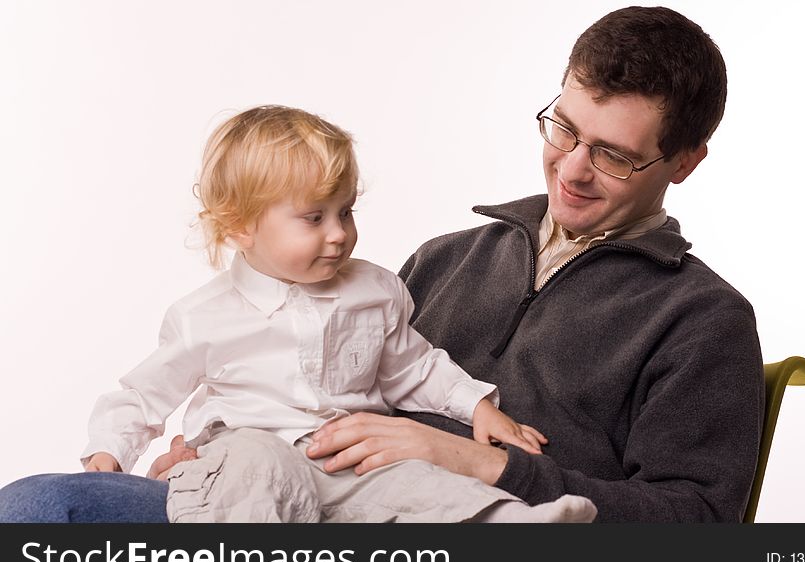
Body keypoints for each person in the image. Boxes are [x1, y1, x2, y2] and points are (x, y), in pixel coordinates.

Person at [0, 5, 763, 523]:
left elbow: (693, 524)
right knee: (38, 511)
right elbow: (307, 371)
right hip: (301, 498)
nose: (570, 169)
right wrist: (205, 445)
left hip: (447, 526)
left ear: (685, 161)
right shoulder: (440, 262)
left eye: (614, 156)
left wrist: (479, 463)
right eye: (564, 128)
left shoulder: (700, 319)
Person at [57, 105, 600, 523]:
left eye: (345, 211)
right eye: (313, 218)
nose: (339, 233)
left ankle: (519, 526)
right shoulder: (205, 316)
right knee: (252, 468)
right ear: (241, 227)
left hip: (346, 458)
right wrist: (109, 449)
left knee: (419, 483)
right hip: (246, 454)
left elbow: (413, 368)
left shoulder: (374, 290)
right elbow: (142, 395)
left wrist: (477, 406)